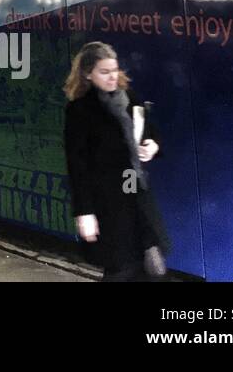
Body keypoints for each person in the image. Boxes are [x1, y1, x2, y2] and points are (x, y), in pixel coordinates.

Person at [63, 41, 169, 281]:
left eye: (115, 70)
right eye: (105, 72)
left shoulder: (129, 98)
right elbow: (76, 164)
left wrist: (153, 145)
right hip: (108, 200)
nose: (112, 77)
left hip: (138, 194)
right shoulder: (79, 110)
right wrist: (84, 212)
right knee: (121, 267)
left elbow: (149, 130)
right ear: (88, 73)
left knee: (152, 262)